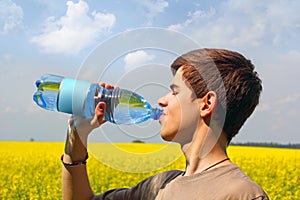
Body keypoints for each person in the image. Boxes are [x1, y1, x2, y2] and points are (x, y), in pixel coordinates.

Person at [61, 48, 269, 200]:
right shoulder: (160, 186)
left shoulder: (243, 194)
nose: (162, 100)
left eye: (175, 92)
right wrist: (76, 138)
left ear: (207, 104)